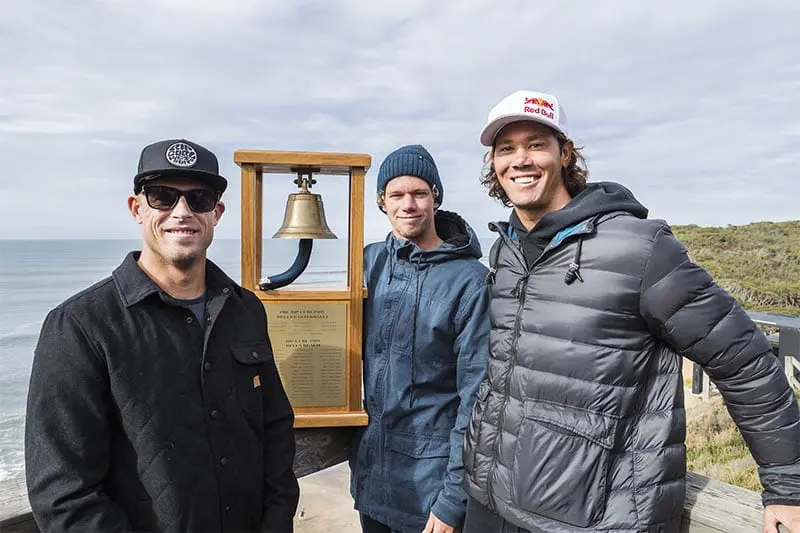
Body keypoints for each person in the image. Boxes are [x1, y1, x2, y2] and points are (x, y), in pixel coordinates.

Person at [461, 90, 800, 533]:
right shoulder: (505, 252)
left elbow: (745, 362)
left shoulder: (639, 250)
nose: (520, 159)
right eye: (506, 149)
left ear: (565, 154)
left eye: (536, 144)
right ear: (494, 166)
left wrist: (788, 490)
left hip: (591, 518)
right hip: (490, 500)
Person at [25, 139, 299, 532]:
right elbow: (63, 494)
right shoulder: (80, 326)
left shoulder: (246, 310)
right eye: (163, 196)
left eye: (200, 198)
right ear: (137, 208)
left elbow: (274, 429)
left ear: (217, 213)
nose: (182, 212)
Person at [349, 144, 490, 533]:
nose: (408, 204)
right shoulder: (367, 262)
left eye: (419, 193)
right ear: (382, 202)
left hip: (430, 492)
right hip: (372, 483)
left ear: (435, 198)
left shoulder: (470, 281)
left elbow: (477, 399)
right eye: (396, 194)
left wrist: (452, 502)